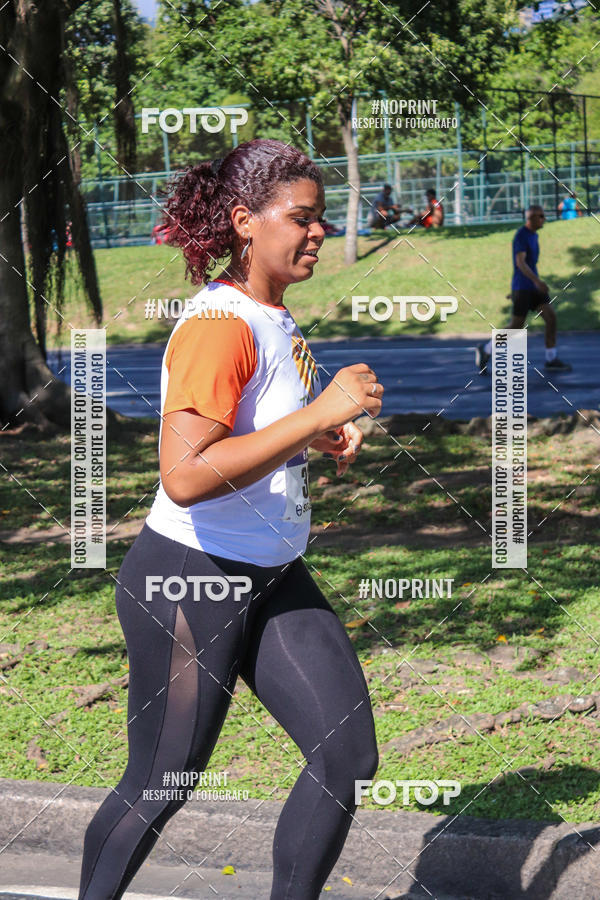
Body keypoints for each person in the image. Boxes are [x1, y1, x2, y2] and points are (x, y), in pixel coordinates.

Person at [77, 138, 383, 900]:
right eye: (301, 218)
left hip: (273, 573)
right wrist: (318, 410)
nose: (317, 232)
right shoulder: (220, 324)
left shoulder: (272, 316)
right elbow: (184, 476)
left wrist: (317, 434)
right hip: (189, 577)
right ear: (246, 221)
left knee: (345, 754)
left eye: (321, 218)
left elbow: (250, 440)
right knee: (162, 782)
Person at [476, 204, 571, 374]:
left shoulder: (534, 236)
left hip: (532, 288)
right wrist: (535, 282)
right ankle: (486, 349)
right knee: (516, 326)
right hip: (525, 287)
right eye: (541, 216)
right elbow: (520, 262)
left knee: (551, 317)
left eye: (543, 215)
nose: (544, 219)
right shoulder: (521, 235)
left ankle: (551, 359)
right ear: (531, 218)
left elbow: (528, 264)